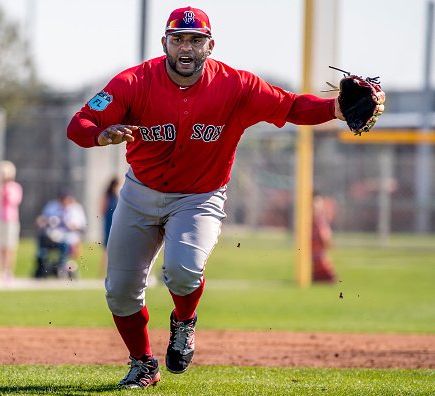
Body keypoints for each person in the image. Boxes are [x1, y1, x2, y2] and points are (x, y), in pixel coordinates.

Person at [67, 6, 363, 389]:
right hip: (140, 192)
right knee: (121, 291)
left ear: (210, 46)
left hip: (200, 197)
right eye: (178, 40)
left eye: (195, 40)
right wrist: (100, 135)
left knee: (184, 269)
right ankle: (143, 364)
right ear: (165, 43)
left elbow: (290, 106)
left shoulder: (236, 85)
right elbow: (80, 123)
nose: (186, 48)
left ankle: (184, 322)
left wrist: (334, 108)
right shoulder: (134, 81)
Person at [34, 189, 87, 279]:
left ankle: (61, 267)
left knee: (64, 241)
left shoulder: (76, 209)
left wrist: (71, 225)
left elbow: (82, 226)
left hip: (69, 237)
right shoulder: (52, 206)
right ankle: (41, 265)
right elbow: (42, 219)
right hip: (52, 236)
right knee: (42, 238)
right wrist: (44, 221)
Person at [0, 160, 23, 282]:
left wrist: (5, 189)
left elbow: (13, 201)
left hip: (10, 220)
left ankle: (8, 271)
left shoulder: (14, 188)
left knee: (9, 248)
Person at [312, 191, 338, 283]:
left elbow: (326, 237)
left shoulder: (320, 220)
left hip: (318, 256)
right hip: (314, 257)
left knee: (328, 277)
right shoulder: (312, 221)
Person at [99, 176, 120, 277]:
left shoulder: (118, 196)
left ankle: (114, 272)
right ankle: (103, 273)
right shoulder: (108, 196)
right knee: (107, 248)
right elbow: (102, 210)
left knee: (117, 248)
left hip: (117, 223)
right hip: (109, 222)